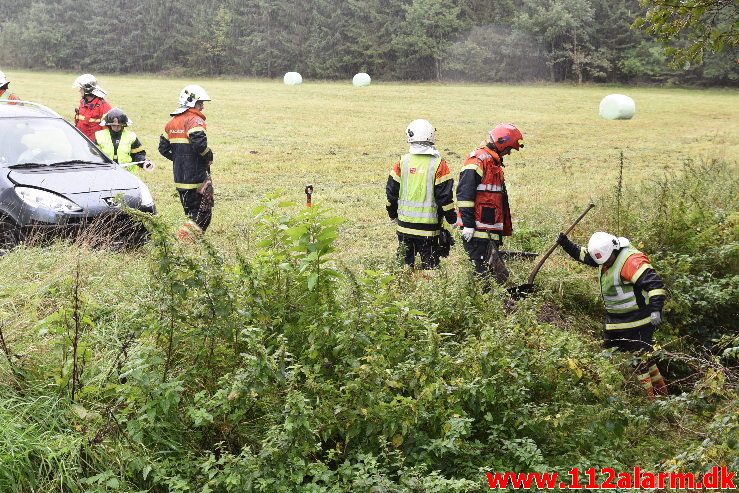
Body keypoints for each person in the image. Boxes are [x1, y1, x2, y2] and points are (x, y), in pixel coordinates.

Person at [557, 231, 668, 398]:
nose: (605, 264)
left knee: (637, 360)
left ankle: (649, 401)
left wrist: (656, 310)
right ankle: (661, 395)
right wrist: (566, 244)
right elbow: (584, 256)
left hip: (638, 321)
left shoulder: (631, 261)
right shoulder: (605, 255)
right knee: (637, 357)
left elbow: (655, 285)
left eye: (607, 260)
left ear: (614, 250)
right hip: (617, 322)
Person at [456, 123, 523, 285]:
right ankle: (482, 306)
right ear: (502, 144)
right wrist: (469, 225)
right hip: (477, 232)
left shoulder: (493, 162)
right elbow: (464, 194)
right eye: (509, 149)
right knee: (482, 277)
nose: (508, 153)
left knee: (491, 276)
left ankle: (490, 304)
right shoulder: (478, 160)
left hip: (488, 231)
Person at [385, 119, 457, 270]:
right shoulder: (439, 164)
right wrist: (453, 220)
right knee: (430, 268)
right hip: (429, 230)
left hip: (404, 227)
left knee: (404, 267)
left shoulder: (401, 162)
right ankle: (428, 292)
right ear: (431, 137)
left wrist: (392, 214)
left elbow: (391, 193)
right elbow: (445, 198)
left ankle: (403, 289)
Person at [158, 84, 214, 241]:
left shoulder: (171, 123)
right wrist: (208, 156)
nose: (202, 107)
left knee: (191, 213)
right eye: (200, 103)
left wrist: (179, 159)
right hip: (196, 177)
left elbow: (163, 149)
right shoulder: (194, 121)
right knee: (203, 215)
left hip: (180, 177)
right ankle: (181, 242)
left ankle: (191, 246)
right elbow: (200, 145)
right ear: (192, 103)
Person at [94, 108, 153, 173]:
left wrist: (144, 163)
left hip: (127, 173)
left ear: (124, 125)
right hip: (105, 172)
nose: (116, 128)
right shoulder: (99, 136)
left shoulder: (131, 137)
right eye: (114, 125)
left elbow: (138, 154)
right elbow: (93, 154)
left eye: (119, 125)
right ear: (108, 124)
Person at [73, 74, 112, 141]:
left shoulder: (103, 106)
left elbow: (108, 130)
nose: (79, 91)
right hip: (80, 139)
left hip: (93, 144)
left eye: (81, 88)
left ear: (87, 89)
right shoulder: (83, 103)